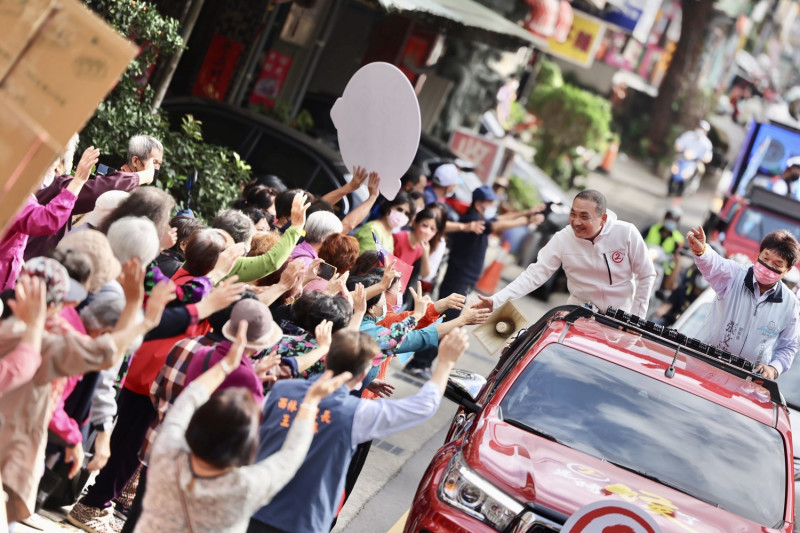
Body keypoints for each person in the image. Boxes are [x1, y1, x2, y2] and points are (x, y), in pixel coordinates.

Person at [246, 327, 470, 533]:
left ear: (326, 360)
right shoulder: (357, 414)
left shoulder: (280, 390)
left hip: (251, 506)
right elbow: (423, 406)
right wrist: (445, 364)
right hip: (303, 521)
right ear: (363, 375)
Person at [134, 322, 351, 533]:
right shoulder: (246, 488)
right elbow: (291, 455)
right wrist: (310, 402)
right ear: (248, 445)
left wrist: (227, 365)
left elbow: (188, 400)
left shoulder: (166, 452)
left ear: (194, 425)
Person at [476, 190, 656, 317]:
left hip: (619, 318)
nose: (576, 222)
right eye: (573, 214)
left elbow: (646, 274)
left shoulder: (626, 233)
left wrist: (635, 319)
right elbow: (535, 274)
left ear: (603, 219)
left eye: (584, 217)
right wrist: (496, 300)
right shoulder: (562, 239)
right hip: (577, 313)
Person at [686, 227, 800, 378]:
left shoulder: (790, 304)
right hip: (703, 366)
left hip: (746, 381)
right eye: (765, 258)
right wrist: (702, 251)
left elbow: (788, 346)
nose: (768, 267)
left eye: (777, 264)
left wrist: (773, 368)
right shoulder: (734, 275)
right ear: (758, 255)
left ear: (788, 270)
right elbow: (714, 264)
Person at [0, 146, 99, 291]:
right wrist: (77, 182)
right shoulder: (13, 194)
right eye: (52, 168)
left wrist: (16, 258)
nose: (55, 174)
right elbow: (47, 220)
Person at [642, 206, 685, 285]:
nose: (671, 221)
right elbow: (639, 239)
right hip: (644, 262)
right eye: (670, 218)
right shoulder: (652, 228)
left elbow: (677, 257)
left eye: (674, 220)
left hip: (663, 270)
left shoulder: (679, 239)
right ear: (665, 218)